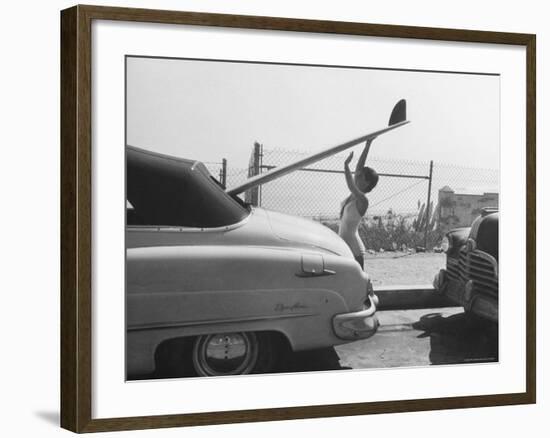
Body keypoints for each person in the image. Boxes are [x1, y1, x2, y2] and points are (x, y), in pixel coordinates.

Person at [339, 138, 379, 269]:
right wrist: (368, 144)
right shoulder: (353, 194)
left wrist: (345, 166)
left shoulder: (363, 201)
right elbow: (359, 167)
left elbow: (351, 185)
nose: (356, 175)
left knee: (357, 287)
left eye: (360, 176)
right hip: (344, 248)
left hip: (355, 252)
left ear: (367, 183)